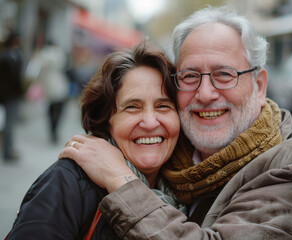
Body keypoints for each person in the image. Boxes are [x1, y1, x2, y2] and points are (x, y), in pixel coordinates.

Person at [59, 6, 292, 240]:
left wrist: (120, 180)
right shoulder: (163, 153)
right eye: (190, 76)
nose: (205, 94)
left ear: (259, 85)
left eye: (224, 74)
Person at [7, 42, 185, 239]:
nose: (150, 122)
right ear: (106, 120)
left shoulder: (187, 189)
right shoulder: (68, 182)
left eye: (163, 106)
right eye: (132, 107)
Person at [37, 40, 69, 143]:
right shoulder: (57, 54)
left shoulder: (43, 55)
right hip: (57, 86)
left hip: (49, 86)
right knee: (57, 109)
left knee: (51, 109)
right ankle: (53, 130)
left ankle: (52, 130)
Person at [0, 32, 24, 161]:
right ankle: (7, 151)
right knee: (8, 124)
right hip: (8, 96)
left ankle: (8, 149)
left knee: (10, 124)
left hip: (13, 95)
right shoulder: (5, 56)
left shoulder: (15, 55)